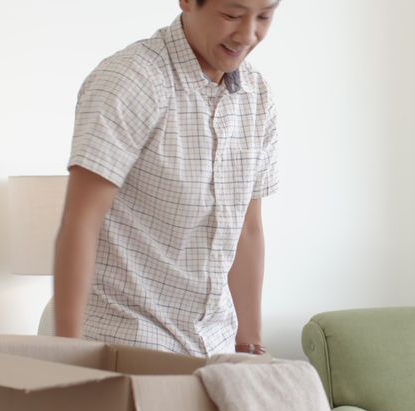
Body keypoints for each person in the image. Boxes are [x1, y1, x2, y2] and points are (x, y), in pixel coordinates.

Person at [53, 0, 281, 356]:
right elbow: (82, 220)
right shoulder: (131, 80)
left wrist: (249, 342)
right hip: (128, 341)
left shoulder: (257, 94)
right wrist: (64, 355)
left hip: (215, 347)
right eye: (232, 15)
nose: (248, 34)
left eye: (264, 16)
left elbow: (248, 227)